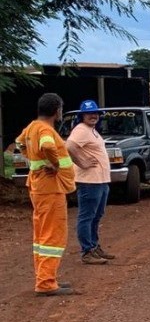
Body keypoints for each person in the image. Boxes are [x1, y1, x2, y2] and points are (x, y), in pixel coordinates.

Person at [16, 93, 77, 296]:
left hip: (39, 187)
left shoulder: (32, 127)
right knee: (53, 234)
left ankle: (45, 278)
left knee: (42, 236)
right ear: (57, 109)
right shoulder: (44, 130)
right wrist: (54, 163)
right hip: (50, 188)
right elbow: (48, 146)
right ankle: (46, 283)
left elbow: (19, 143)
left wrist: (36, 161)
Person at [66, 100, 116, 265]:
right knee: (87, 216)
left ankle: (94, 247)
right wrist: (81, 162)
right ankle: (87, 251)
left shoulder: (92, 131)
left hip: (100, 181)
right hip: (89, 182)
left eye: (95, 113)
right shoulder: (81, 130)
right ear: (82, 116)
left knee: (96, 216)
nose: (93, 116)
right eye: (89, 113)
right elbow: (69, 146)